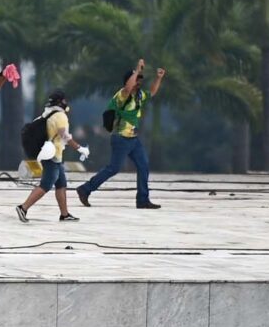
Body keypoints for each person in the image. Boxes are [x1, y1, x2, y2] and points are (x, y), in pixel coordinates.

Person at [78, 60, 166, 209]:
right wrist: (137, 70)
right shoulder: (122, 94)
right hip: (120, 138)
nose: (139, 83)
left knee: (143, 166)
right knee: (113, 168)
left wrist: (158, 78)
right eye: (136, 80)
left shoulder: (139, 96)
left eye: (140, 81)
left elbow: (152, 92)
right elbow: (127, 87)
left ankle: (143, 200)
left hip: (133, 139)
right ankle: (85, 189)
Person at [16, 91, 82, 223]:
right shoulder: (60, 116)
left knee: (61, 184)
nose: (66, 103)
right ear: (60, 102)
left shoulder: (47, 113)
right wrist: (80, 148)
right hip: (52, 155)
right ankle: (23, 207)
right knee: (46, 184)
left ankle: (64, 214)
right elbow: (64, 135)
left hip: (51, 153)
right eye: (64, 100)